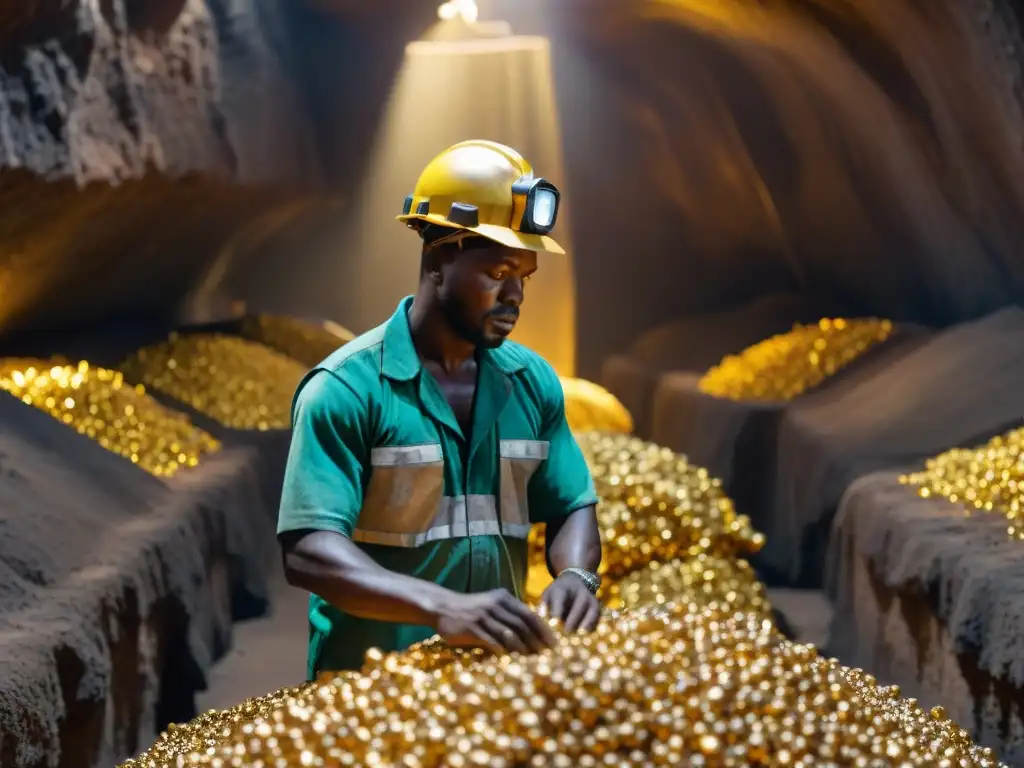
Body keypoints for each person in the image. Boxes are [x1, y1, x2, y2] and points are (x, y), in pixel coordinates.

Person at [277, 140, 604, 679]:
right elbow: (308, 550)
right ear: (439, 260)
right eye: (498, 272)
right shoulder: (348, 390)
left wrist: (576, 576)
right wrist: (440, 606)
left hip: (490, 685)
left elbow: (571, 501)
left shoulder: (531, 382)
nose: (516, 294)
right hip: (367, 693)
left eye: (525, 274)